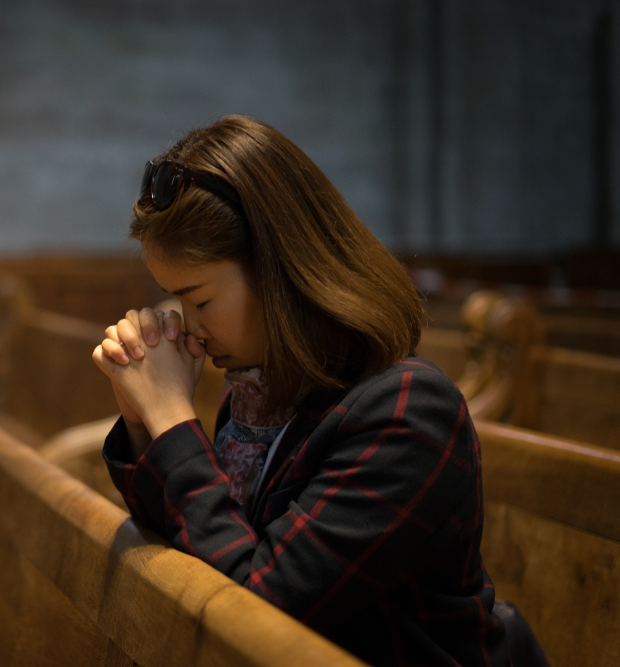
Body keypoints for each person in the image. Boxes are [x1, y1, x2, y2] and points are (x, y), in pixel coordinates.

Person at [91, 115, 508, 667]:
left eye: (200, 300)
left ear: (280, 270)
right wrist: (143, 420)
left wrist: (172, 422)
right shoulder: (262, 392)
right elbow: (196, 542)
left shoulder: (408, 412)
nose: (187, 325)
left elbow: (257, 607)